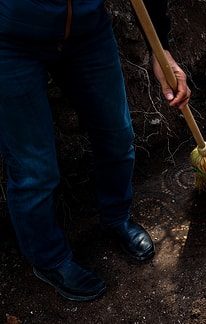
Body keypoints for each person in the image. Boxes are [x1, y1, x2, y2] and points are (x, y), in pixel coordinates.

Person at [0, 0, 190, 301]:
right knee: (34, 168)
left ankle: (116, 217)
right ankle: (49, 258)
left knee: (116, 136)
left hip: (87, 32)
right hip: (11, 40)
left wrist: (160, 48)